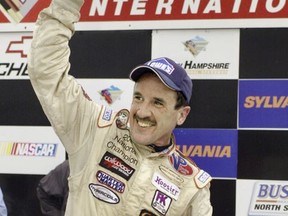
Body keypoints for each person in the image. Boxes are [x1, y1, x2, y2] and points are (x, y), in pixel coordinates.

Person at [28, 0, 213, 215]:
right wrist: (68, 4)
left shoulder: (191, 186)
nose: (142, 112)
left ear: (181, 115)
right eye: (138, 97)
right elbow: (46, 72)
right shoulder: (94, 131)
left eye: (157, 102)